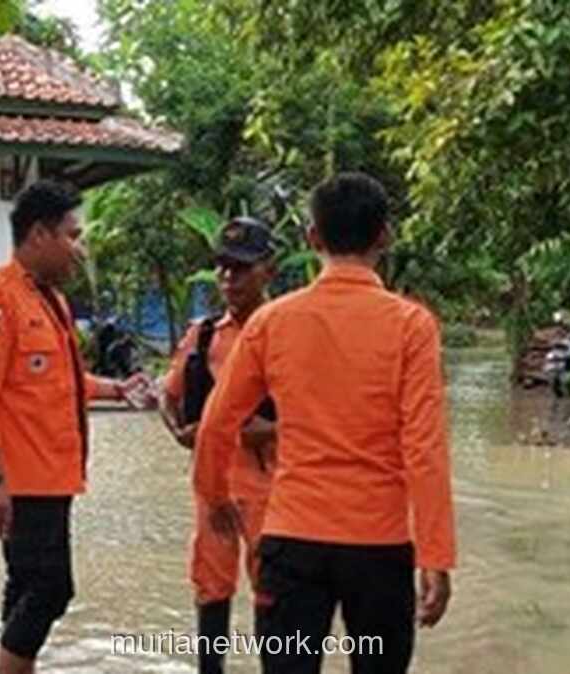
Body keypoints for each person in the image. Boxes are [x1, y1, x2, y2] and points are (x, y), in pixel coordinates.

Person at [194, 173, 456, 674]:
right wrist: (436, 556)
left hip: (292, 542)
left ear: (313, 237)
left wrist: (214, 497)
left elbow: (216, 424)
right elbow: (424, 448)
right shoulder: (411, 326)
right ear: (384, 236)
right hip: (379, 549)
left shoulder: (273, 323)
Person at [0, 180, 149, 674]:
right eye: (72, 234)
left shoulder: (52, 302)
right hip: (22, 483)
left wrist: (116, 388)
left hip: (54, 477)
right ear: (39, 234)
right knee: (51, 589)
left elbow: (59, 379)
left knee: (25, 586)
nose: (79, 248)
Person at [159, 217, 279, 674]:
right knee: (211, 586)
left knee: (272, 591)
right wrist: (179, 431)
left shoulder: (286, 330)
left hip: (273, 488)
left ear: (268, 269)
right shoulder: (203, 334)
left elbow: (313, 420)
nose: (229, 279)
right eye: (223, 268)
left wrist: (242, 432)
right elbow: (168, 396)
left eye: (241, 268)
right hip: (213, 488)